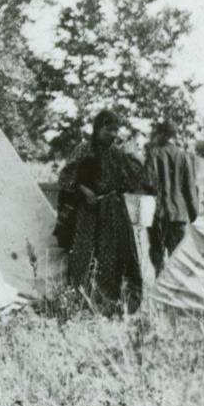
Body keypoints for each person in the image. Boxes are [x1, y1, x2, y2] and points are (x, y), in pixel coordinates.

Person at [58, 109, 151, 313]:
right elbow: (65, 177)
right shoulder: (84, 150)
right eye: (110, 130)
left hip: (113, 212)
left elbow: (135, 180)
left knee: (113, 256)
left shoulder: (117, 153)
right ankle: (81, 299)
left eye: (116, 130)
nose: (114, 134)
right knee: (85, 254)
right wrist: (84, 191)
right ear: (99, 128)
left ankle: (109, 302)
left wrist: (133, 156)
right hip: (88, 214)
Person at [145, 119, 200, 276]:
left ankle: (159, 290)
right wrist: (195, 217)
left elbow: (147, 184)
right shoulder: (183, 156)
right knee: (177, 261)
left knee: (158, 260)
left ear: (162, 134)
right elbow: (190, 190)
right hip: (178, 216)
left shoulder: (153, 154)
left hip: (157, 215)